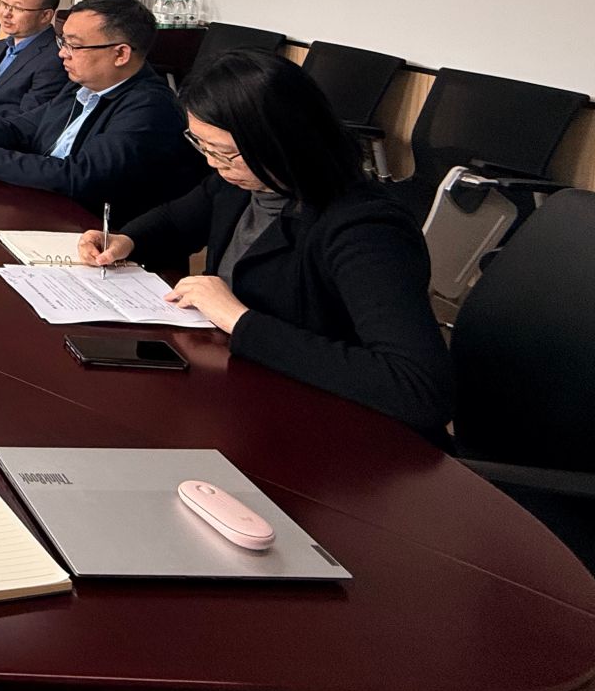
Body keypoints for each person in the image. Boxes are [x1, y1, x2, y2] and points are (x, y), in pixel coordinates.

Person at [78, 51, 454, 438]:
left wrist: (238, 320)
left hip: (333, 430)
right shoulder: (243, 183)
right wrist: (125, 239)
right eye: (202, 145)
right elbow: (176, 220)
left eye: (225, 152)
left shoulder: (366, 229)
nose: (213, 163)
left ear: (280, 139)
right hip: (246, 393)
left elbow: (418, 387)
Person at [0, 0, 201, 222]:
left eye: (74, 45)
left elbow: (79, 176)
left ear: (121, 54)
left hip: (96, 234)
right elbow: (26, 126)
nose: (62, 53)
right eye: (62, 42)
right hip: (41, 205)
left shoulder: (151, 108)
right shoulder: (82, 85)